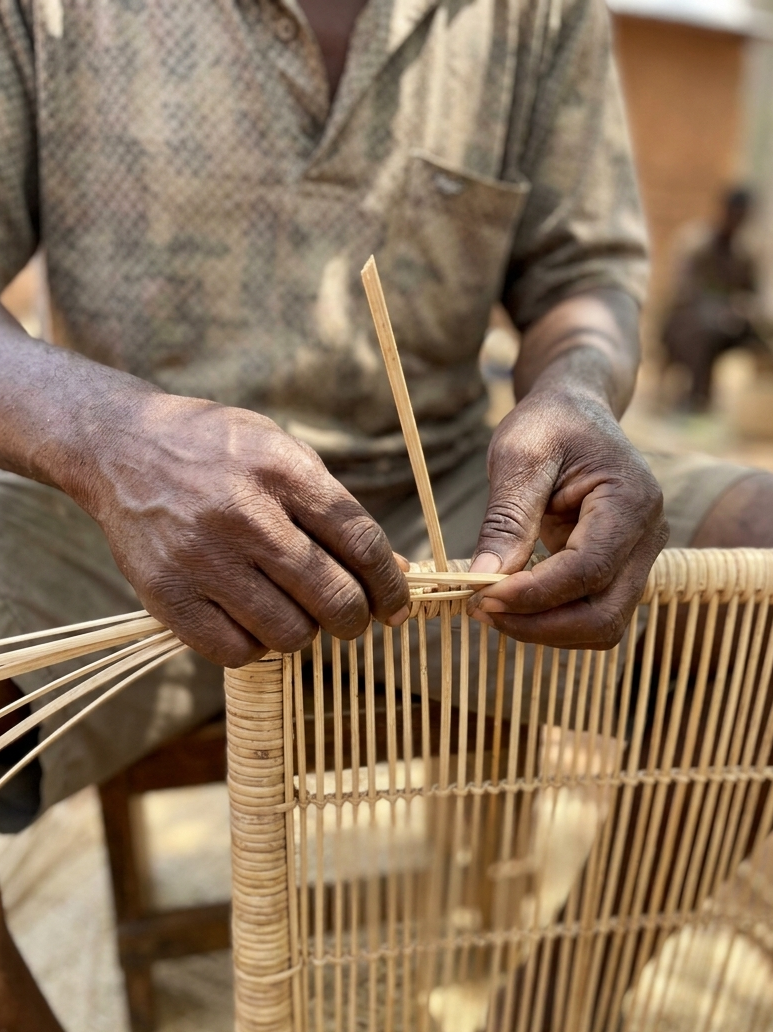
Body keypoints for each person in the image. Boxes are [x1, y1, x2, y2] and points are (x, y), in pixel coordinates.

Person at [2, 0, 773, 1027]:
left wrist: (575, 393)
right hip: (104, 513)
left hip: (446, 511)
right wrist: (110, 439)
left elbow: (583, 274)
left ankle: (540, 1018)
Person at [663, 187, 767, 411]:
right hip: (691, 319)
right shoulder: (696, 242)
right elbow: (683, 291)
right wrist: (718, 308)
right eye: (735, 214)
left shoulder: (746, 251)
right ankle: (697, 398)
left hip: (731, 322)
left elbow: (753, 295)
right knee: (702, 331)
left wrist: (741, 308)